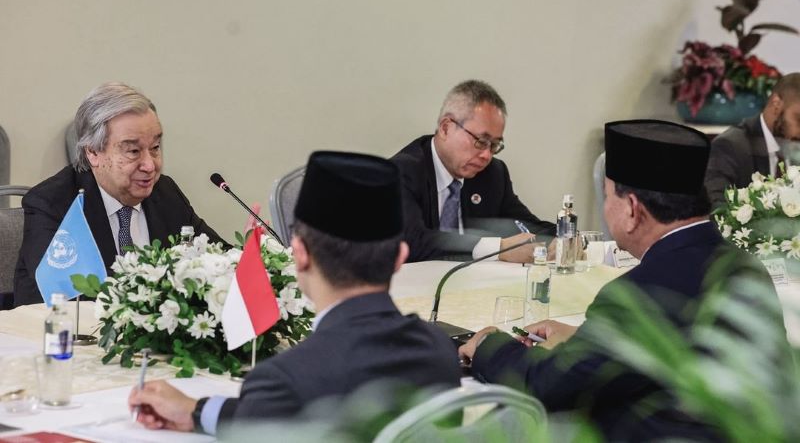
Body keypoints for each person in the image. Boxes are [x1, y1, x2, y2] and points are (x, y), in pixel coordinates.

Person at [459, 119, 788, 440]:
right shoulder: (743, 263)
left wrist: (489, 344)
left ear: (632, 209)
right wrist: (586, 340)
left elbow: (547, 386)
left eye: (608, 196)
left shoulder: (639, 294)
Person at [128, 151, 461, 435]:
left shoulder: (285, 380)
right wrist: (197, 411)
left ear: (299, 254)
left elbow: (279, 409)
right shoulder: (438, 352)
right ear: (400, 259)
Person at [13, 82, 225, 306]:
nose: (150, 165)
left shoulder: (165, 193)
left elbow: (216, 258)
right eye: (133, 151)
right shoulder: (54, 204)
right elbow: (66, 298)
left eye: (155, 147)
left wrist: (248, 256)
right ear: (93, 152)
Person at [391, 80, 555, 263]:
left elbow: (524, 224)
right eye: (481, 141)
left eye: (494, 145)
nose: (486, 155)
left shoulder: (493, 173)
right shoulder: (401, 173)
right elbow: (412, 243)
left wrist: (563, 238)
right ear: (445, 128)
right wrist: (498, 249)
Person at [705, 72, 800, 207]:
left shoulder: (795, 145)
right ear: (776, 103)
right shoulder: (730, 147)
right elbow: (716, 210)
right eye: (799, 119)